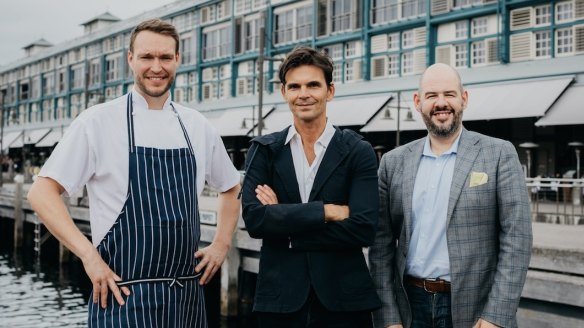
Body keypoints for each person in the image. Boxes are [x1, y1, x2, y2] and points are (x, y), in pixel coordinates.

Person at [27, 19, 241, 327]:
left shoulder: (197, 125)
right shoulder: (97, 122)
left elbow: (231, 187)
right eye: (147, 57)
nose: (157, 66)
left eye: (166, 57)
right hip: (122, 296)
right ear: (130, 59)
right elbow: (41, 192)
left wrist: (222, 243)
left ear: (178, 60)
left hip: (186, 299)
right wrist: (89, 257)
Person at [369, 63, 532, 328]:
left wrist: (496, 315)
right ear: (418, 102)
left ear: (464, 99)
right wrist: (388, 317)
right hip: (409, 308)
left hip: (476, 309)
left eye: (450, 94)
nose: (441, 103)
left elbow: (517, 239)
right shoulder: (393, 162)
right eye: (432, 96)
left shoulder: (499, 154)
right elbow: (380, 246)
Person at [240, 47, 381, 327]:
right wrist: (327, 211)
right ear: (284, 92)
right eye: (295, 86)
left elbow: (364, 228)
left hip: (344, 301)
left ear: (330, 91)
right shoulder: (264, 150)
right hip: (279, 302)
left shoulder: (357, 151)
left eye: (313, 85)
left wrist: (286, 223)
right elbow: (255, 220)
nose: (303, 94)